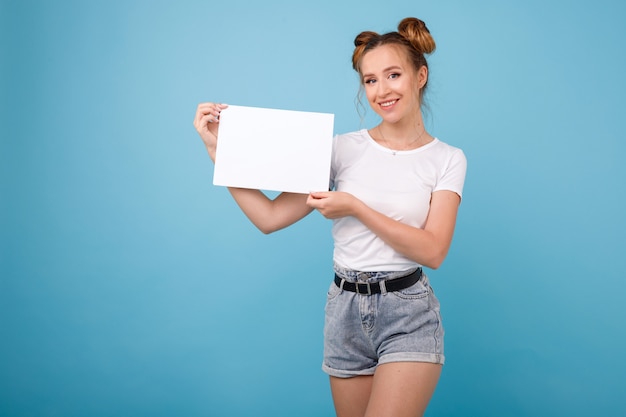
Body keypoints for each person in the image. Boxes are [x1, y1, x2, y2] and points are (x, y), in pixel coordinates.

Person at [193, 17, 466, 417]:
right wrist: (221, 157)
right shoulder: (341, 150)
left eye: (393, 75)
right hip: (345, 309)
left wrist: (354, 206)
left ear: (420, 75)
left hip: (407, 310)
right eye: (370, 80)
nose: (381, 90)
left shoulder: (446, 159)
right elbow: (269, 217)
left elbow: (434, 250)